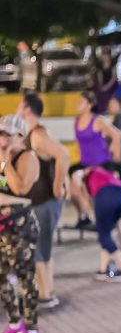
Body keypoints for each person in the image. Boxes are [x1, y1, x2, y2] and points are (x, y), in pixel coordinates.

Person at [18, 92, 69, 310]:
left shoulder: (38, 135)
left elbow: (63, 155)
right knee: (43, 247)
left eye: (20, 105)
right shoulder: (31, 135)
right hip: (40, 201)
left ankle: (45, 294)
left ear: (27, 109)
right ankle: (47, 290)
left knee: (39, 248)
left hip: (45, 200)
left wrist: (58, 187)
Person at [0, 115, 44, 333]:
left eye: (8, 135)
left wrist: (5, 162)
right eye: (1, 134)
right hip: (4, 226)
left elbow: (20, 188)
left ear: (20, 136)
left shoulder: (28, 157)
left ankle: (32, 330)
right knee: (2, 275)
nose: (4, 140)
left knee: (25, 277)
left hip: (22, 226)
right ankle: (15, 322)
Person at [71, 166, 121, 281]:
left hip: (106, 197)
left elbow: (86, 202)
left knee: (103, 236)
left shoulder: (83, 180)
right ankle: (103, 270)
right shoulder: (98, 170)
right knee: (107, 233)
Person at [69, 92, 121, 229]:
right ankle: (84, 217)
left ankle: (99, 218)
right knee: (73, 190)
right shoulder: (76, 122)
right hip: (85, 163)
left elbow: (116, 135)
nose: (77, 104)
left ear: (89, 105)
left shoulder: (97, 121)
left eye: (81, 102)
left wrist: (115, 153)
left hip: (101, 163)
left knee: (90, 190)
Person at [107, 97, 121, 180]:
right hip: (117, 153)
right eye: (109, 106)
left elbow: (119, 134)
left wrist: (112, 150)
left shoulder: (120, 117)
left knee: (117, 177)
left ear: (118, 105)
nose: (109, 108)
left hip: (117, 154)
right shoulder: (117, 117)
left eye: (112, 105)